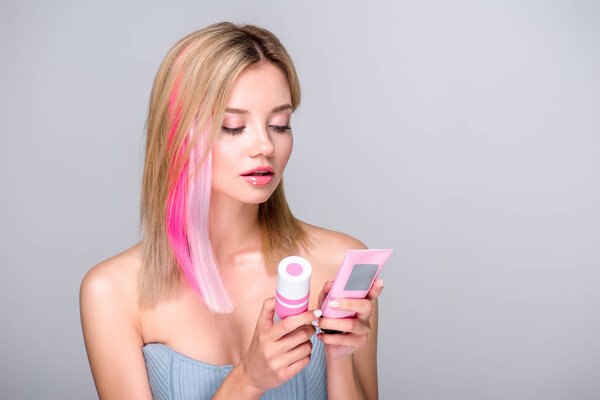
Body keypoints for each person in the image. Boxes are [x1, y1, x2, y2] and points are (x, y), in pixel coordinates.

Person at [79, 21, 383, 400]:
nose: (265, 146)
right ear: (177, 135)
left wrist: (339, 356)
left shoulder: (338, 261)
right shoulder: (112, 292)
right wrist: (248, 382)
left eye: (279, 124)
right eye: (233, 126)